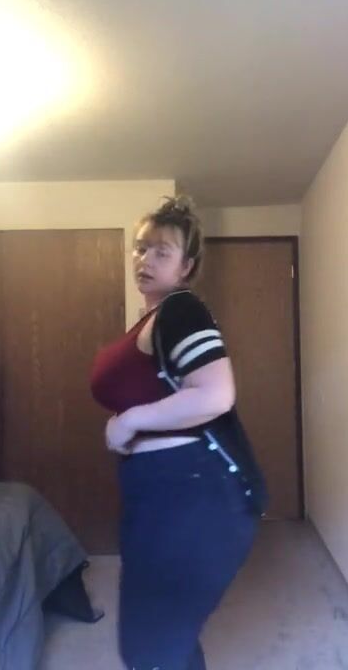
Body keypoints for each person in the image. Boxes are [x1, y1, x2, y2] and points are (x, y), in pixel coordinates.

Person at [90, 195, 268, 670]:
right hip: (161, 489)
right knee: (167, 637)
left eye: (161, 251)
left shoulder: (181, 309)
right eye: (140, 248)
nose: (145, 259)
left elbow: (215, 394)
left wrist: (129, 421)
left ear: (185, 267)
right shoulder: (153, 318)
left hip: (191, 494)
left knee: (150, 645)